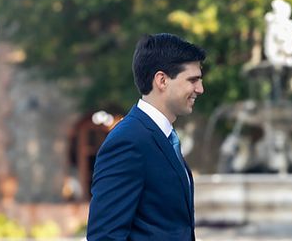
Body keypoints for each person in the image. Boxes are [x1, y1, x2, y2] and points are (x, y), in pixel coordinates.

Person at [86, 33, 206, 241]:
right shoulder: (128, 141)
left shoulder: (164, 136)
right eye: (192, 80)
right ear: (162, 80)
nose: (200, 89)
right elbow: (105, 236)